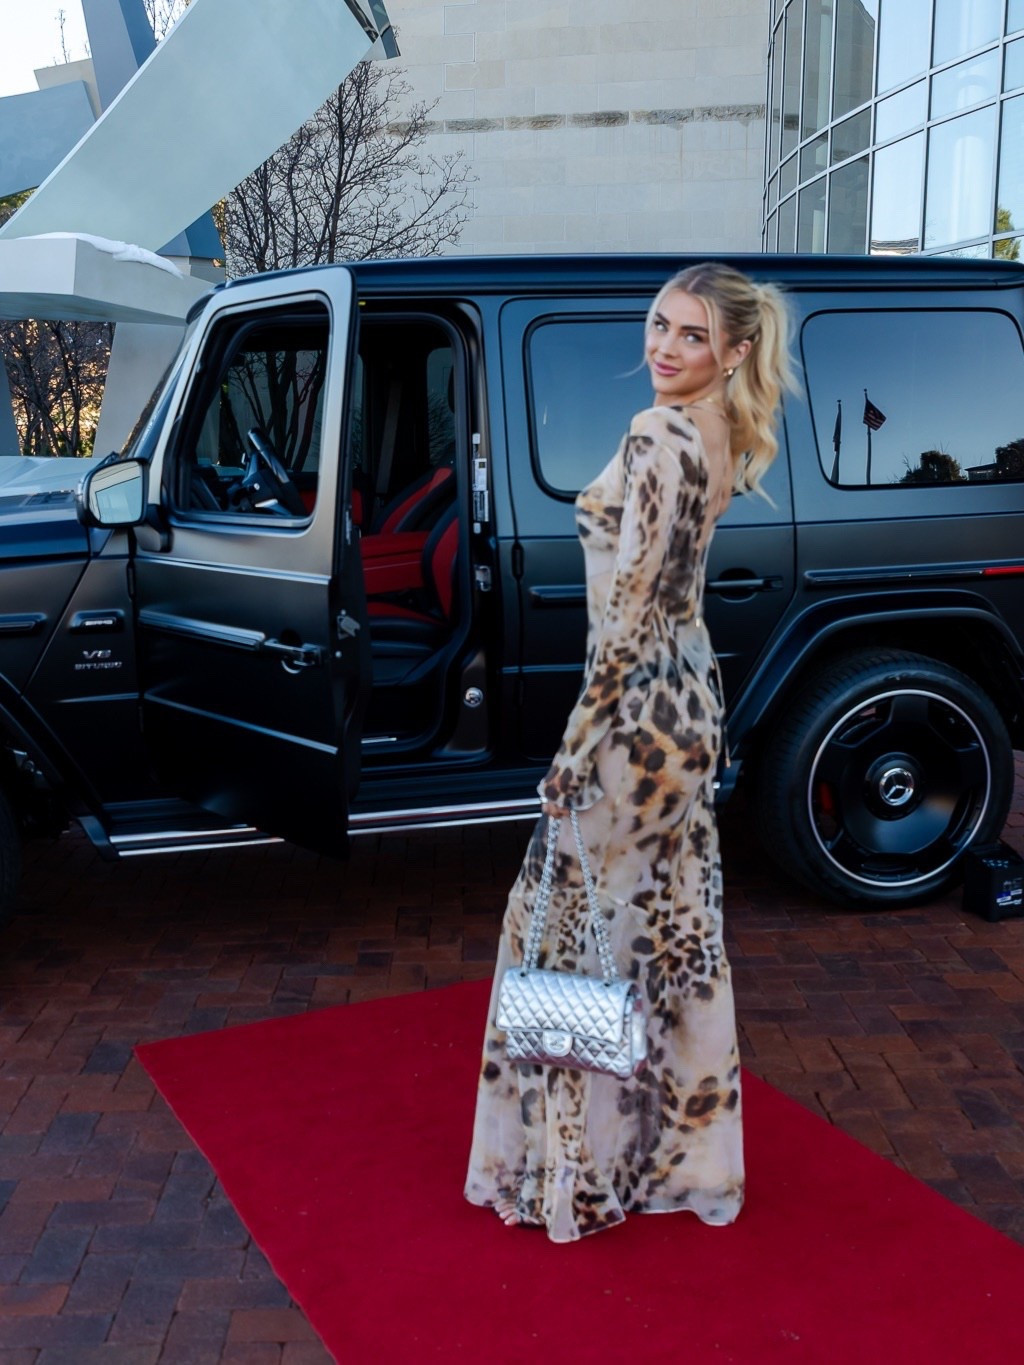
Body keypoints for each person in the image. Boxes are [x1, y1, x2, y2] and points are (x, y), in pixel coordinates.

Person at [464, 262, 796, 1243]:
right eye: (658, 325)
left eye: (691, 335)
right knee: (667, 941)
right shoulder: (720, 431)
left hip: (636, 718)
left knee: (571, 939)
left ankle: (574, 1180)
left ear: (733, 351)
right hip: (691, 710)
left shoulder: (657, 434)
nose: (662, 347)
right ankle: (667, 1157)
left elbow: (630, 620)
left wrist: (573, 749)